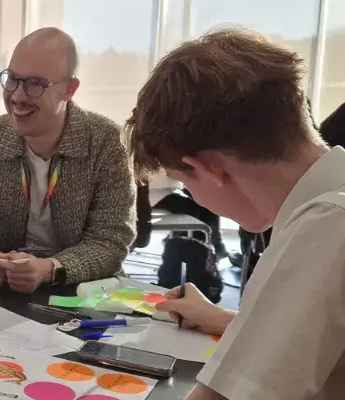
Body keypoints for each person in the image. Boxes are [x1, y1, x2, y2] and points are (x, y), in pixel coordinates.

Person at [128, 28, 345, 399]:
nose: (191, 196)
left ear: (212, 170)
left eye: (185, 184)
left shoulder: (327, 224)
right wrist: (227, 321)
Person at [0, 27, 136, 292]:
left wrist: (49, 269)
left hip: (85, 298)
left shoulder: (106, 143)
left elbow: (111, 242)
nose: (17, 96)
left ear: (70, 89)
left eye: (35, 84)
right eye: (12, 79)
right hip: (3, 296)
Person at [150, 174, 228, 258]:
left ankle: (210, 245)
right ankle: (181, 242)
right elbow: (161, 179)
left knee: (207, 202)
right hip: (149, 195)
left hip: (161, 190)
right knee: (199, 206)